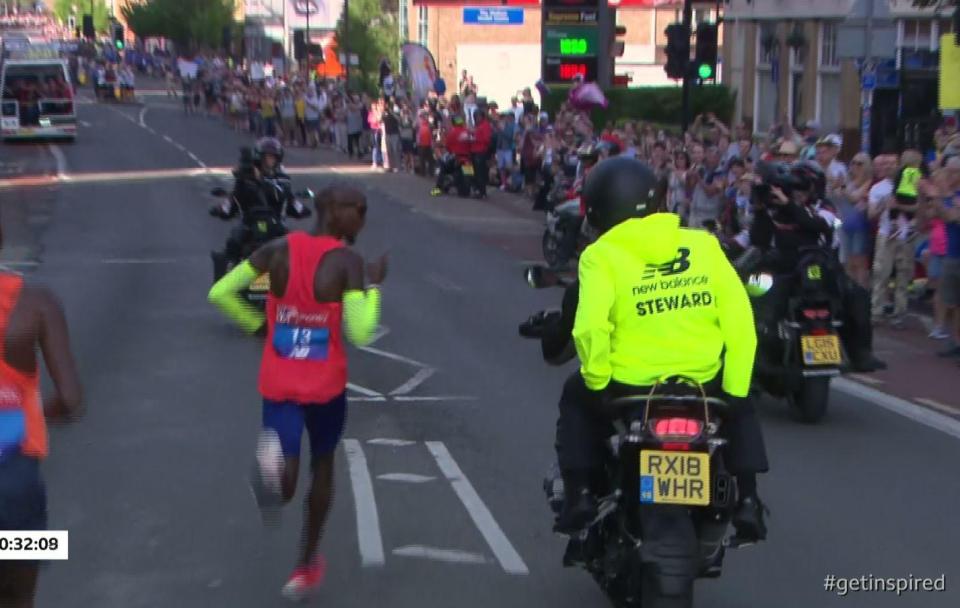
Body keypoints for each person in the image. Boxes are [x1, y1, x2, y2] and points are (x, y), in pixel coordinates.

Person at [551, 156, 769, 542]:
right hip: (703, 381)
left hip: (629, 384)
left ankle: (581, 493)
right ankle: (748, 499)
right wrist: (733, 390)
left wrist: (599, 385)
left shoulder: (600, 256)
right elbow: (740, 324)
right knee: (742, 406)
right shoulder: (704, 246)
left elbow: (589, 328)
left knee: (575, 396)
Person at [207, 185, 386, 600]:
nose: (363, 218)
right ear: (337, 212)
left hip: (280, 380)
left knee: (283, 481)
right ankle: (306, 566)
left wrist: (260, 328)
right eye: (360, 210)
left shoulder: (277, 250)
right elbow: (360, 332)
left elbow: (220, 293)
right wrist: (373, 286)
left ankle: (271, 468)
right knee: (322, 464)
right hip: (325, 387)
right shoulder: (348, 263)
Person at [0, 219, 83, 608]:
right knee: (19, 593)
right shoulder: (38, 303)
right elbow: (71, 400)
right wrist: (26, 415)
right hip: (16, 484)